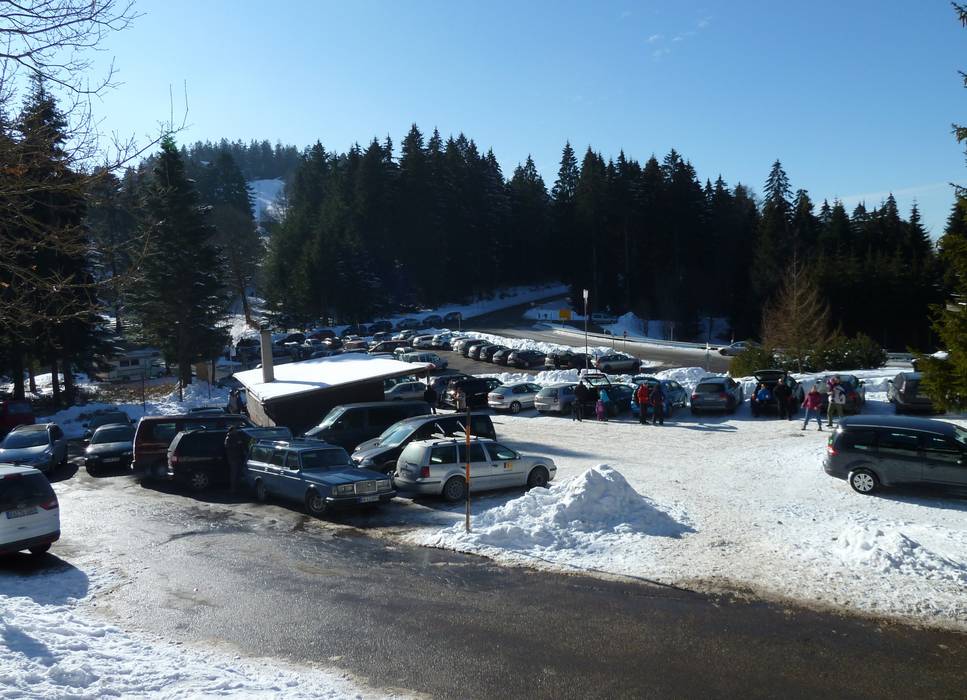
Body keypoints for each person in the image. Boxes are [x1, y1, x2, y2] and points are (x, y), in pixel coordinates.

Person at [224, 425, 248, 495]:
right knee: (234, 473)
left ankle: (237, 487)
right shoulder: (228, 438)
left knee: (238, 473)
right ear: (231, 431)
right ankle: (233, 488)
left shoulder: (236, 436)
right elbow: (227, 446)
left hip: (238, 457)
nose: (236, 431)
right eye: (234, 430)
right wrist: (236, 444)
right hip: (233, 458)